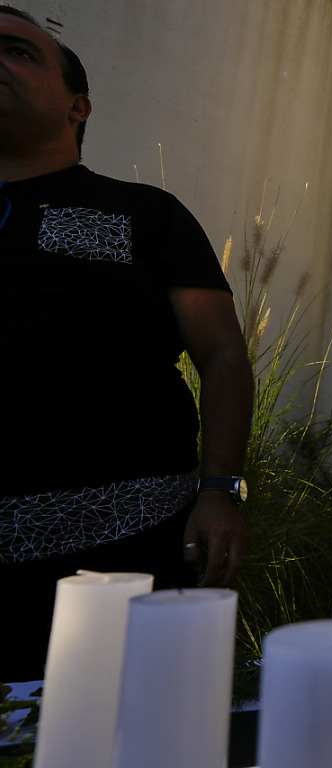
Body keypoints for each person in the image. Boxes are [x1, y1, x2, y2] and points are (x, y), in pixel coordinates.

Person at [0, 8, 254, 682]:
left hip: (129, 548)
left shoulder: (145, 214)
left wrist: (220, 490)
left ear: (77, 105)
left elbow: (223, 355)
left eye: (18, 51)